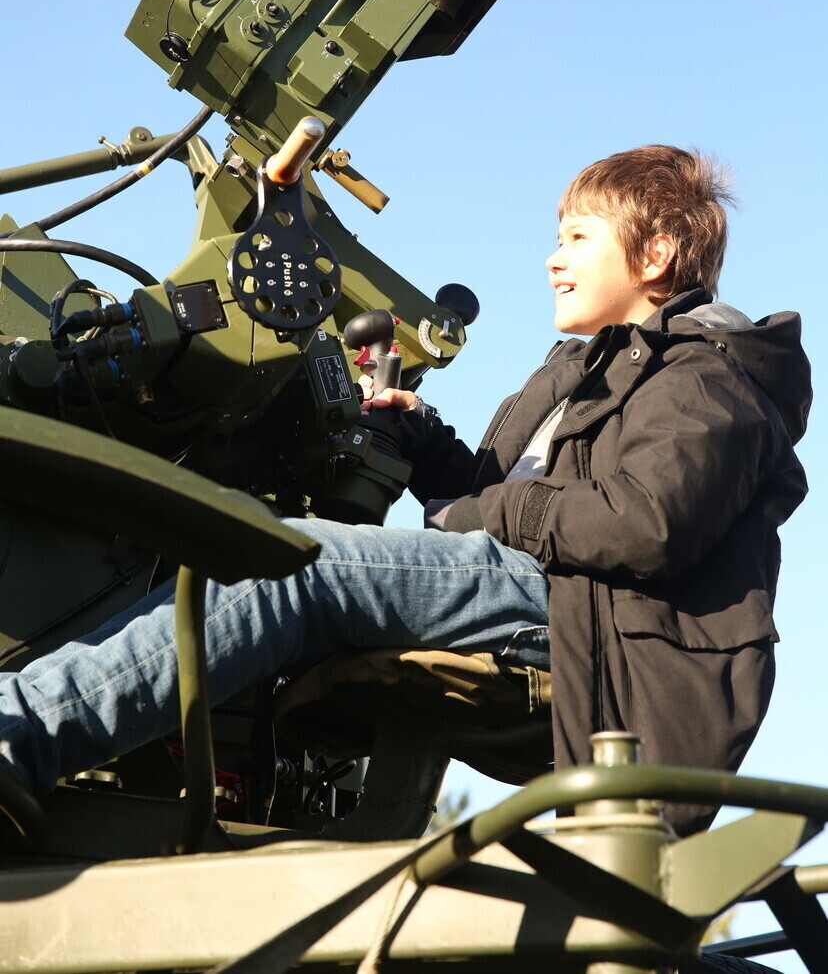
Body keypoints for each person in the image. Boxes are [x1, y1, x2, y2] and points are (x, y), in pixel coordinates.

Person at [0, 144, 810, 837]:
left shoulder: (706, 377)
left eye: (576, 236)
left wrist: (476, 511)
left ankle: (22, 733)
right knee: (265, 551)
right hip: (545, 585)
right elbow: (503, 501)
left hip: (591, 615)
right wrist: (424, 442)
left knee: (285, 563)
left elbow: (642, 525)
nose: (552, 258)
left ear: (656, 254)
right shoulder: (580, 370)